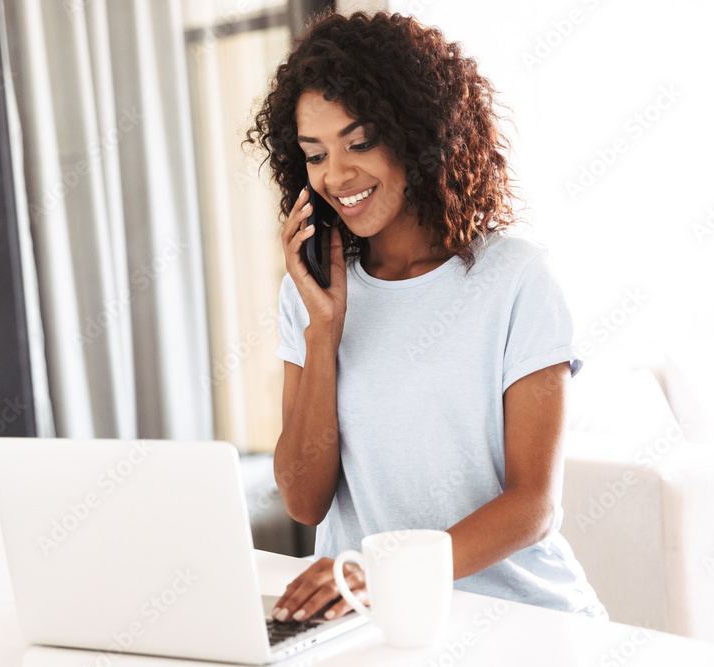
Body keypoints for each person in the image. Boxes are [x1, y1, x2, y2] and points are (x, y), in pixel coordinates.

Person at [242, 9, 607, 624]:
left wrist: (388, 573)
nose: (337, 175)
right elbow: (305, 502)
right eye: (315, 153)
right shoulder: (309, 294)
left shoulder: (517, 280)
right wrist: (324, 331)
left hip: (517, 618)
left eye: (360, 143)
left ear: (419, 135)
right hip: (369, 619)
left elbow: (532, 505)